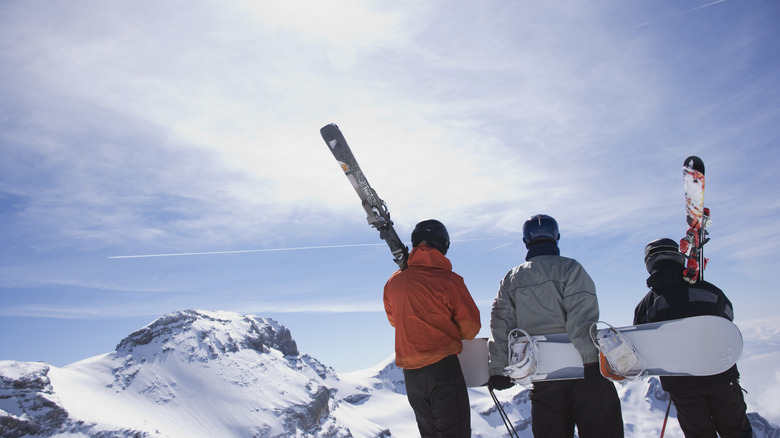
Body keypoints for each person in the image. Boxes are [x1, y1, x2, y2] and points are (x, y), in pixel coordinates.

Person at [488, 214, 624, 438]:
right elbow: (581, 317)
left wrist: (499, 369)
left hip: (544, 376)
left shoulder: (511, 279)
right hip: (586, 373)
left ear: (526, 241)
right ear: (556, 237)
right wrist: (590, 360)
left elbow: (501, 324)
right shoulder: (571, 269)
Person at [634, 238, 752, 437]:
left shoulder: (646, 306)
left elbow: (643, 345)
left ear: (649, 264)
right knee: (736, 431)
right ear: (679, 257)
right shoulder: (708, 290)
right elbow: (727, 319)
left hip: (682, 385)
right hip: (721, 374)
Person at [383, 219, 481, 438]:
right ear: (443, 245)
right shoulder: (450, 281)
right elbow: (471, 328)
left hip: (411, 375)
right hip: (442, 369)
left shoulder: (394, 282)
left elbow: (395, 320)